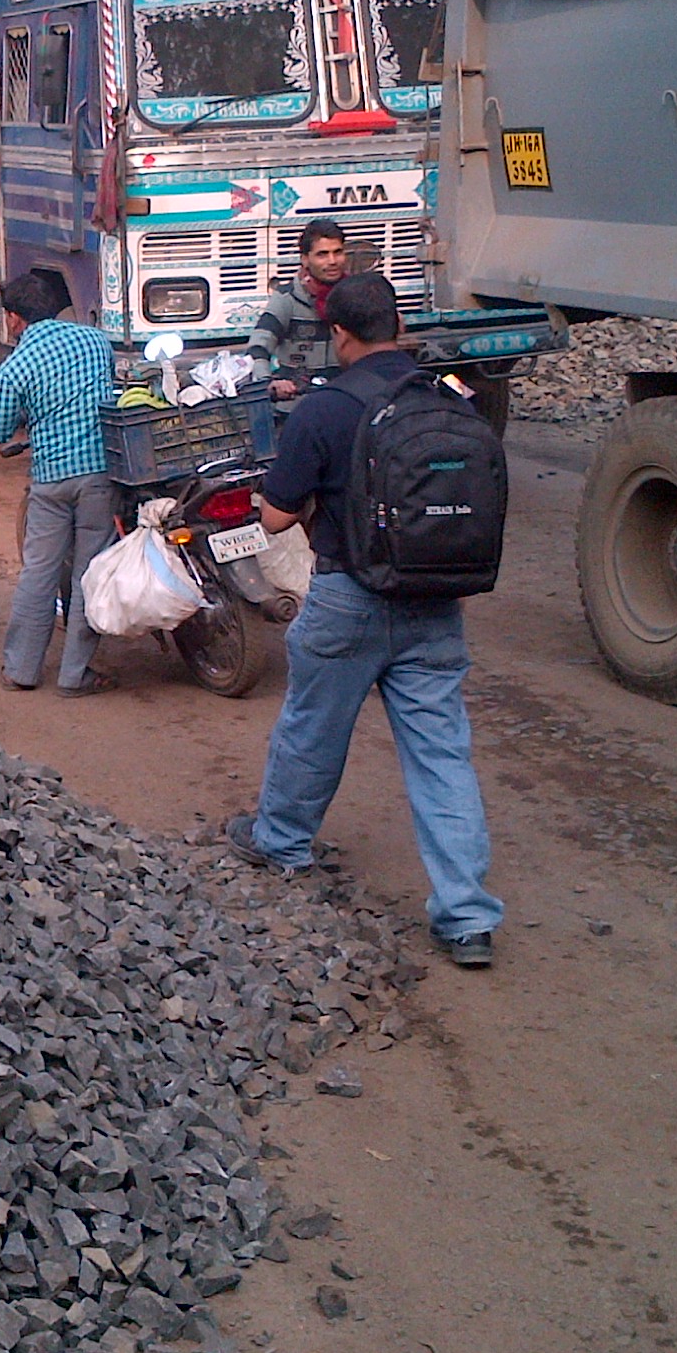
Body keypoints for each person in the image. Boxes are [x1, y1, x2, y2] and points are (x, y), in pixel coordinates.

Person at [228, 271, 504, 968]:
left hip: (349, 598)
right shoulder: (450, 401)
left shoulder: (325, 410)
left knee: (313, 728)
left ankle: (283, 842)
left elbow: (274, 516)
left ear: (338, 334)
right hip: (436, 605)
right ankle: (467, 917)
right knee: (442, 756)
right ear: (401, 328)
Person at [0, 270, 119, 695]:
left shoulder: (16, 365)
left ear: (15, 318)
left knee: (38, 573)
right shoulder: (95, 341)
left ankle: (21, 670)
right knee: (88, 573)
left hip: (50, 480)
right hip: (99, 474)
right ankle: (75, 674)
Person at [247, 216, 351, 400]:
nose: (333, 261)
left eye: (338, 252)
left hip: (345, 405)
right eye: (322, 254)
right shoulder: (286, 298)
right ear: (305, 259)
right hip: (294, 409)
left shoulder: (356, 296)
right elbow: (257, 348)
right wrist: (268, 384)